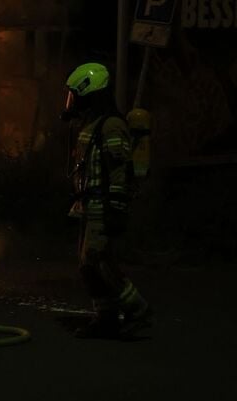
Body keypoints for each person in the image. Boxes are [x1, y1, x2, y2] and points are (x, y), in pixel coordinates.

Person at [61, 63, 152, 339]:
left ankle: (137, 310)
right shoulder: (92, 125)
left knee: (99, 261)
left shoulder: (112, 125)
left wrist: (116, 209)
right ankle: (106, 318)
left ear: (90, 92)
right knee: (87, 265)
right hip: (89, 207)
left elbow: (117, 172)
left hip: (103, 207)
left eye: (75, 95)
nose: (72, 101)